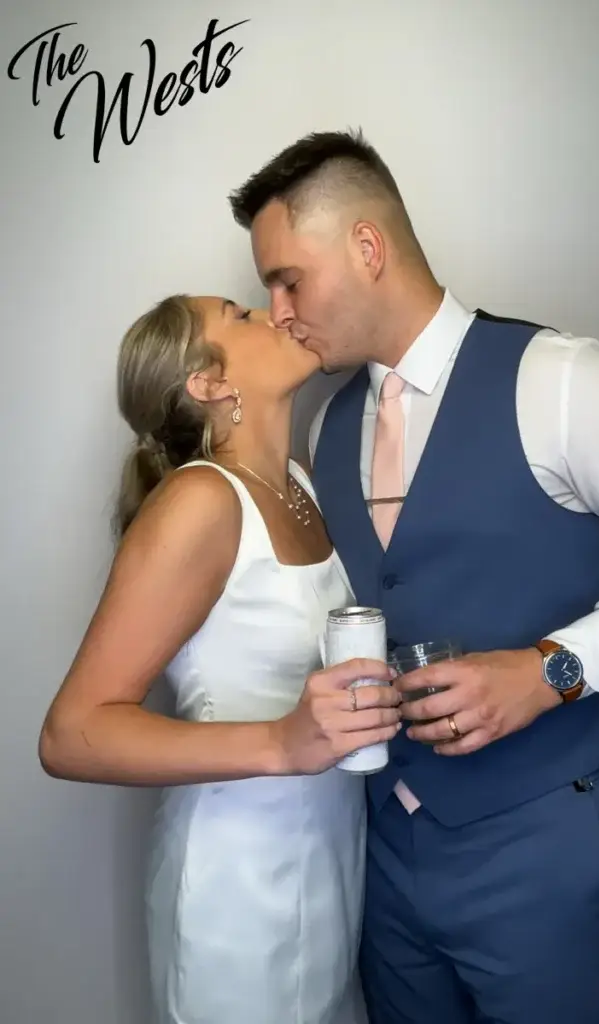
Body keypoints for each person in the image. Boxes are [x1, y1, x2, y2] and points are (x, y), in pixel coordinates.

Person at [228, 129, 599, 1024]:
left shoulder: (558, 381)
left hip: (541, 846)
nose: (278, 311)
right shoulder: (330, 426)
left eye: (288, 280)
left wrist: (550, 670)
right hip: (384, 855)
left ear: (366, 248)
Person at [38, 293, 402, 1024]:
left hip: (328, 861)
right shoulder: (199, 502)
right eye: (240, 314)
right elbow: (70, 735)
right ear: (208, 384)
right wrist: (279, 740)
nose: (276, 310)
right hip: (237, 887)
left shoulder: (299, 485)